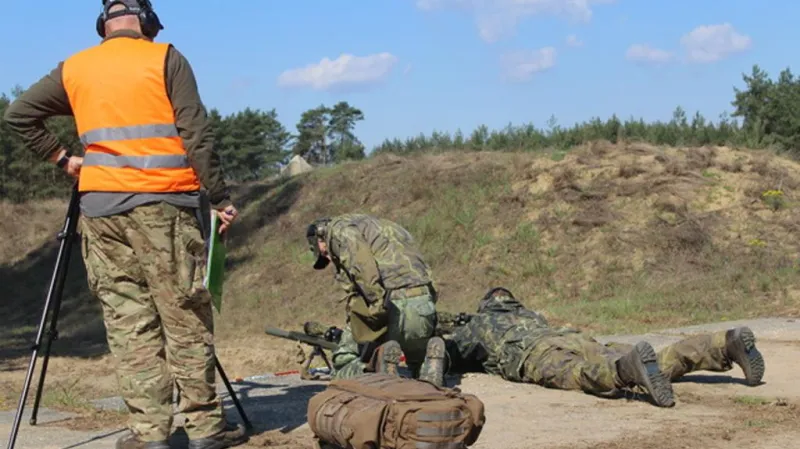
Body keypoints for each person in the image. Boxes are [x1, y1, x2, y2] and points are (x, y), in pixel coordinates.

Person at [3, 2, 247, 448]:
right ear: (147, 21)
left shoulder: (75, 67)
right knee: (185, 316)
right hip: (164, 206)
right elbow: (196, 133)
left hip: (100, 213)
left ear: (104, 25)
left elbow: (18, 114)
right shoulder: (165, 57)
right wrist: (220, 197)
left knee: (129, 323)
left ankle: (150, 434)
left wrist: (62, 158)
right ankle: (205, 429)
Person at [437, 287, 765, 408]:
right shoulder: (530, 314)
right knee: (655, 362)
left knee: (579, 374)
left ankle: (624, 371)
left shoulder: (479, 325)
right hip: (575, 338)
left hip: (535, 352)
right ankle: (723, 343)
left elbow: (451, 356)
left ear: (484, 307)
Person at [306, 214, 446, 386]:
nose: (328, 257)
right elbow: (422, 266)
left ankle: (375, 368)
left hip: (391, 305)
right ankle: (427, 366)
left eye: (324, 252)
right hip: (423, 305)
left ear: (321, 235)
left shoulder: (338, 229)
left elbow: (362, 266)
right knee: (417, 356)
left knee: (342, 364)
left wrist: (376, 308)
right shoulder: (390, 226)